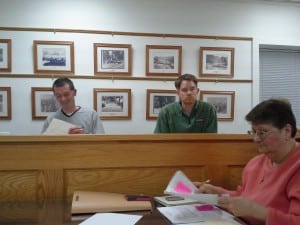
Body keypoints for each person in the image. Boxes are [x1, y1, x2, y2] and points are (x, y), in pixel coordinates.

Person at [195, 99, 300, 225]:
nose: (256, 139)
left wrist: (256, 211)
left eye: (262, 132)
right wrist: (217, 193)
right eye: (254, 132)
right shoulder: (256, 162)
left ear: (287, 131)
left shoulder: (296, 167)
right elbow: (245, 197)